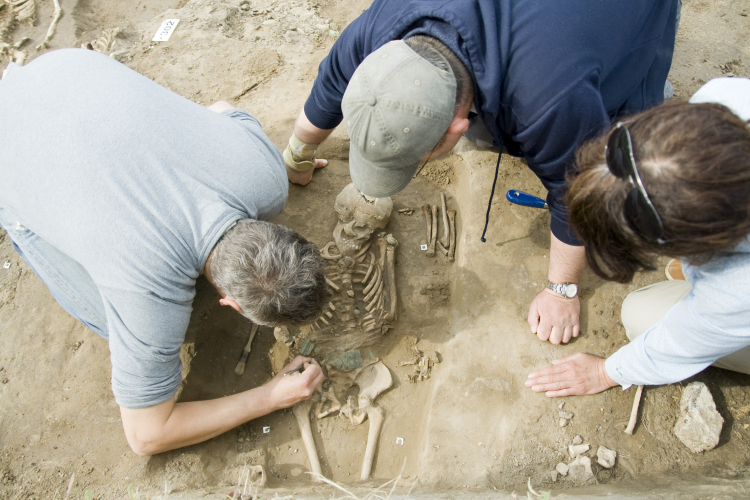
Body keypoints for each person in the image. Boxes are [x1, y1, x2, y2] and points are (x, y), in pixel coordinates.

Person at [281, 0, 680, 346]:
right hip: (537, 33)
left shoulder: (549, 101)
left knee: (627, 135)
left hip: (623, 14)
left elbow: (578, 193)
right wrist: (297, 154)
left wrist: (561, 291)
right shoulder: (381, 30)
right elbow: (332, 82)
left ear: (457, 128)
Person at [0, 49, 331, 455]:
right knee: (112, 318)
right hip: (7, 140)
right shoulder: (147, 294)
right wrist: (268, 397)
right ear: (231, 303)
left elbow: (223, 108)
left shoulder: (266, 178)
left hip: (60, 69)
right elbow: (146, 435)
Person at [525, 77, 750, 397]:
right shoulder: (722, 97)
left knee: (639, 316)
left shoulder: (740, 290)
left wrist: (605, 372)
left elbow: (681, 342)